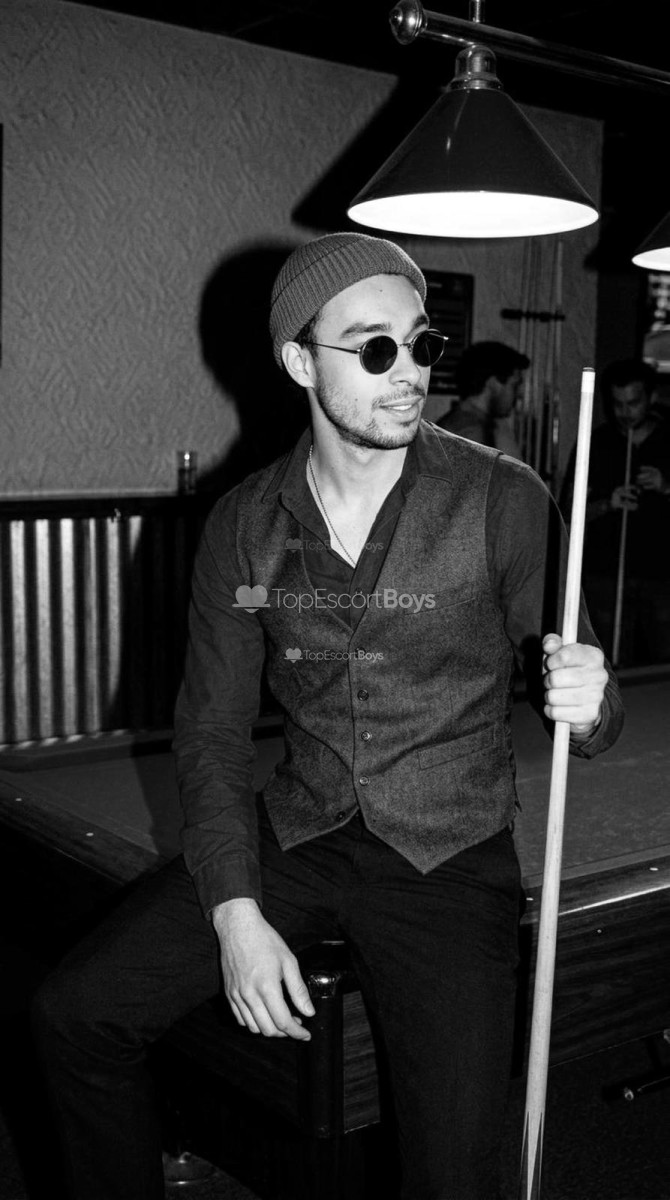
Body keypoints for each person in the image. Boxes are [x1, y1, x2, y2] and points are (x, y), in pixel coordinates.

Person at [32, 232, 623, 1200]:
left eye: (422, 344)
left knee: (455, 1179)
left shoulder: (505, 499)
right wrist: (234, 912)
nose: (410, 374)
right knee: (75, 1015)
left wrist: (589, 705)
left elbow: (592, 703)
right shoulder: (244, 527)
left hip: (449, 852)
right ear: (301, 362)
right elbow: (213, 732)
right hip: (299, 831)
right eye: (375, 348)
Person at [560, 358, 670, 665]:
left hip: (663, 575)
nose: (625, 412)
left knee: (663, 663)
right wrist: (609, 502)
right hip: (605, 576)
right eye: (617, 404)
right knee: (606, 661)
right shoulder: (597, 442)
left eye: (633, 403)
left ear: (651, 397)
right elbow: (568, 511)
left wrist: (666, 486)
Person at [436, 340, 529, 457]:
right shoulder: (469, 432)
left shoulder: (475, 423)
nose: (519, 394)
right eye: (514, 385)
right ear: (493, 384)